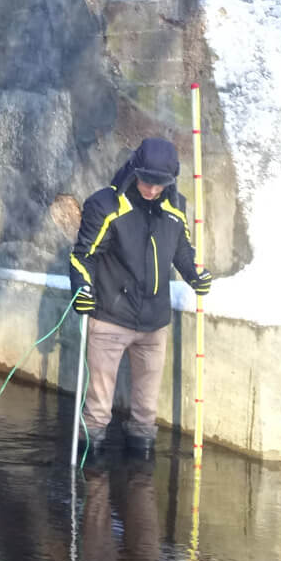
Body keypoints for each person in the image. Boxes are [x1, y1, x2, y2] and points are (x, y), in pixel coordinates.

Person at [67, 136, 211, 456]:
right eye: (146, 181)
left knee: (145, 415)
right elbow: (82, 256)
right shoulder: (106, 204)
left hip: (154, 324)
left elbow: (182, 250)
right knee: (98, 411)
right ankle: (91, 479)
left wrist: (194, 275)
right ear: (134, 169)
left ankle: (140, 479)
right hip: (109, 320)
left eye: (159, 184)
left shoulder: (176, 208)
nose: (151, 189)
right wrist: (82, 288)